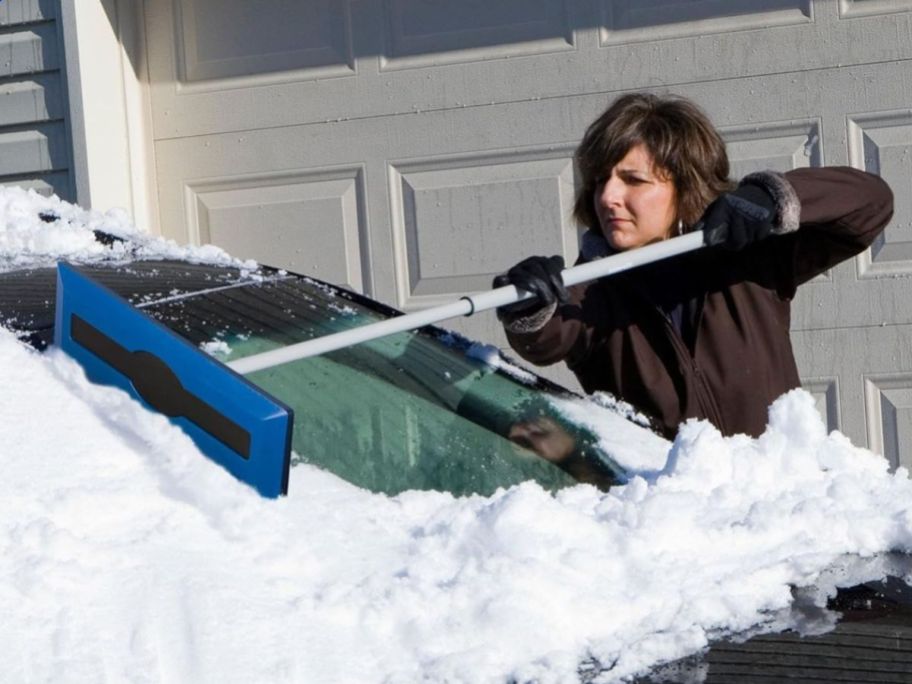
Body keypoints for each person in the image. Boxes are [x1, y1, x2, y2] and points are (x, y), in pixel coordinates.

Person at [494, 92, 894, 441]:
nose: (608, 196)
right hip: (679, 517)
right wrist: (527, 303)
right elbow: (547, 338)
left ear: (684, 186)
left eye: (633, 180)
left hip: (782, 505)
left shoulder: (747, 261)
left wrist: (773, 196)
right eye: (601, 180)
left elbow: (870, 204)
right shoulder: (592, 290)